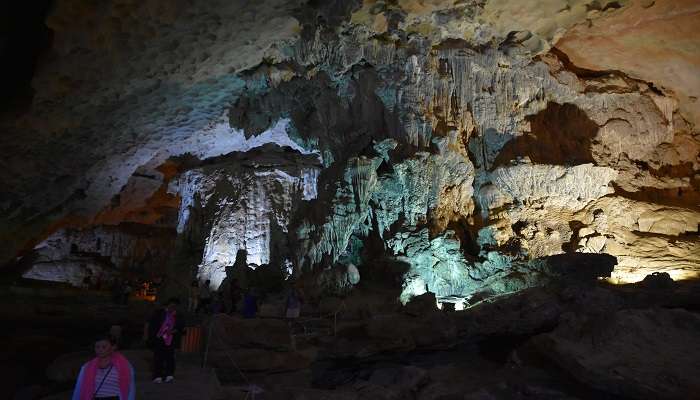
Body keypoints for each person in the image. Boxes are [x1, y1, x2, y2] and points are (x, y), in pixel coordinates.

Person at [72, 334, 135, 400]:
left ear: (113, 347)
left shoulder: (124, 366)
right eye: (97, 347)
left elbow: (130, 389)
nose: (100, 350)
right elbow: (78, 389)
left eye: (104, 347)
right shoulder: (87, 367)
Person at [147, 297, 186, 383]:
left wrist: (175, 330)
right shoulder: (159, 313)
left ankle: (169, 374)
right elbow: (153, 325)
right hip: (160, 338)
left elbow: (182, 327)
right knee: (158, 357)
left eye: (175, 306)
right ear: (168, 305)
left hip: (171, 338)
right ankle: (158, 375)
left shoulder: (179, 315)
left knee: (170, 357)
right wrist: (153, 337)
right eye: (172, 305)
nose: (173, 308)